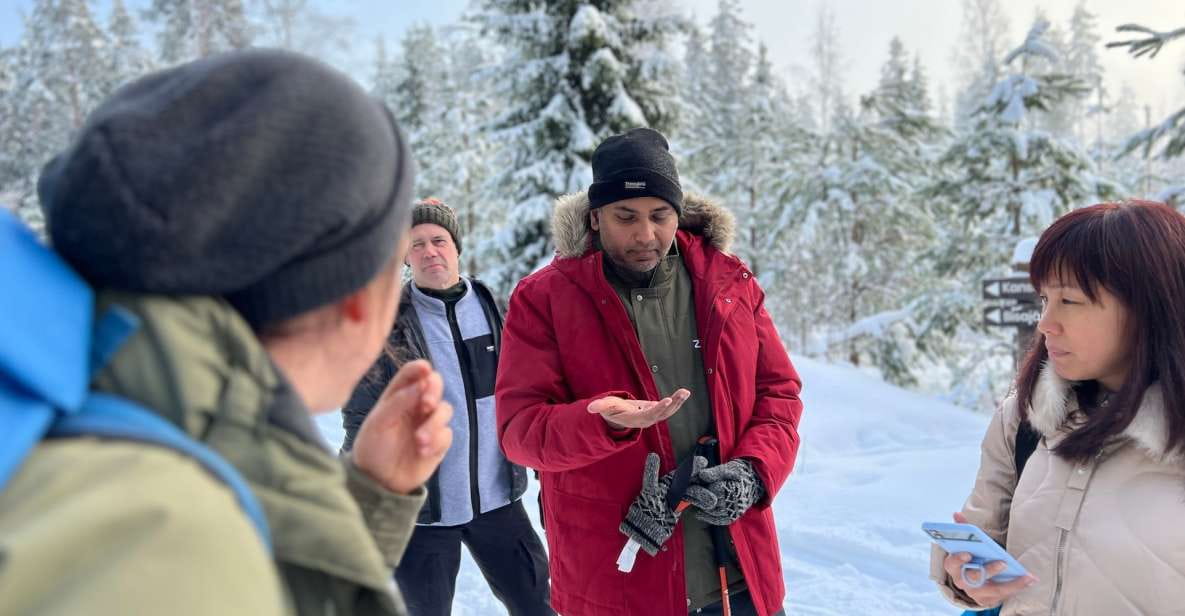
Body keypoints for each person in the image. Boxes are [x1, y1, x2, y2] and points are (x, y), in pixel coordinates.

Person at [0, 49, 453, 615]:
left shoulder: (100, 451)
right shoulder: (166, 545)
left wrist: (367, 498)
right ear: (356, 301)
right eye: (396, 260)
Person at [494, 127, 803, 616]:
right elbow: (519, 430)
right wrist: (602, 422)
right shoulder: (544, 299)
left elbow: (779, 393)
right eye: (625, 217)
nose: (645, 234)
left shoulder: (728, 282)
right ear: (595, 217)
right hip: (616, 579)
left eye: (660, 216)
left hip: (737, 570)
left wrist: (753, 472)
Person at [931, 200, 1185, 615]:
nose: (1046, 322)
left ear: (1150, 306)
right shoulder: (1026, 418)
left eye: (1070, 300)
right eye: (1044, 299)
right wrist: (964, 576)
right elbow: (981, 542)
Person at [342, 198, 552, 616]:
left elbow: (532, 391)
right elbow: (362, 417)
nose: (429, 251)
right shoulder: (390, 324)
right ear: (404, 256)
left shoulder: (497, 307)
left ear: (456, 246)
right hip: (425, 511)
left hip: (499, 501)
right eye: (415, 244)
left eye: (438, 240)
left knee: (539, 605)